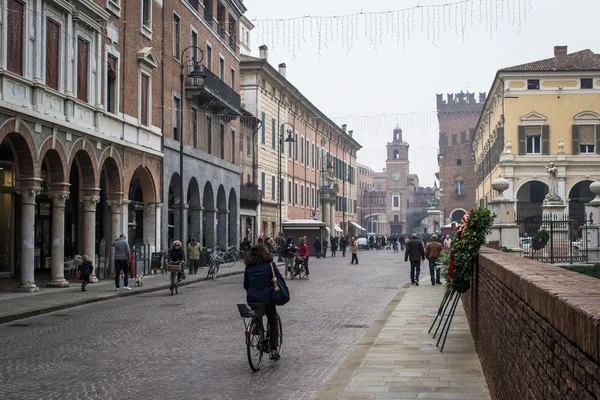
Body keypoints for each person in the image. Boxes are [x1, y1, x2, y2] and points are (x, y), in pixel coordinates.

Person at [243, 244, 283, 360]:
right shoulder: (270, 265)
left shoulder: (249, 267)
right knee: (273, 321)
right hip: (267, 298)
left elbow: (246, 284)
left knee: (258, 313)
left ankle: (257, 326)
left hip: (252, 299)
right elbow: (278, 279)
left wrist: (252, 292)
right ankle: (274, 349)